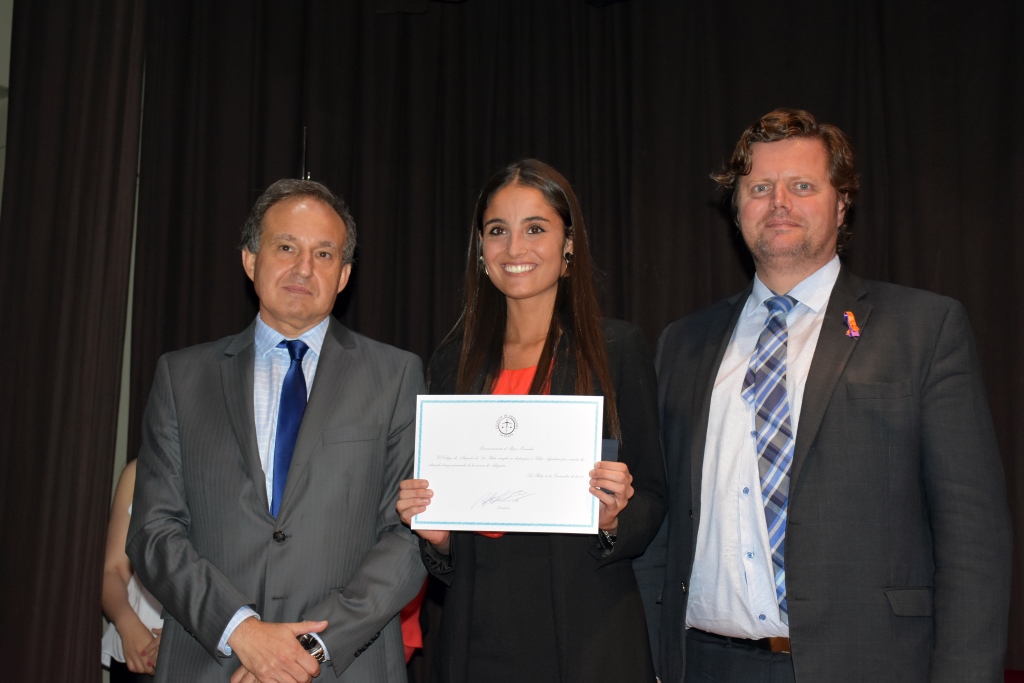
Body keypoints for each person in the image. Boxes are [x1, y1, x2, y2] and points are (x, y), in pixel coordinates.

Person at [642, 108, 1012, 682]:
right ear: (737, 208)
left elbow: (973, 537)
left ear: (841, 205)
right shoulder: (682, 344)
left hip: (869, 665)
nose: (778, 202)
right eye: (759, 188)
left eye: (802, 186)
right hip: (708, 665)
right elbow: (660, 525)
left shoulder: (923, 329)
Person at [127, 179, 427, 683]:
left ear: (344, 275)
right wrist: (242, 631)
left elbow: (408, 534)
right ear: (250, 260)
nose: (304, 268)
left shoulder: (396, 376)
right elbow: (152, 532)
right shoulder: (182, 377)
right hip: (210, 662)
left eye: (324, 254)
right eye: (286, 247)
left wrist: (308, 649)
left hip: (342, 665)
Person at [396, 159, 667, 682]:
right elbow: (455, 540)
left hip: (588, 635)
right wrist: (439, 536)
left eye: (536, 229)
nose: (514, 248)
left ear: (569, 246)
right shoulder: (452, 364)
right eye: (498, 230)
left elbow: (654, 497)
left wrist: (614, 518)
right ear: (481, 249)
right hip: (477, 632)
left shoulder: (615, 348)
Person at [102, 460, 164, 682]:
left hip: (207, 653)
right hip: (136, 649)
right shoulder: (140, 470)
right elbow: (113, 570)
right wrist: (127, 625)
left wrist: (184, 636)